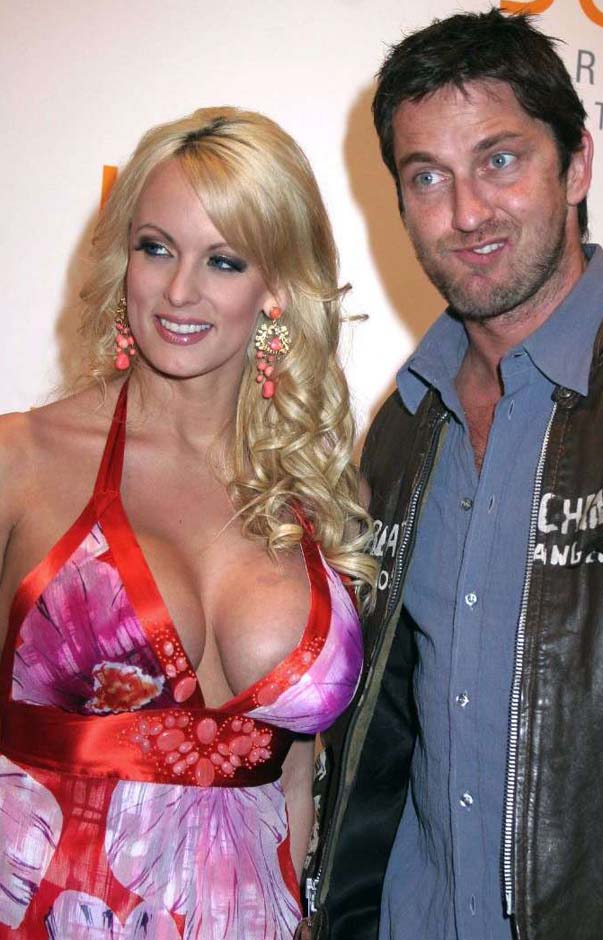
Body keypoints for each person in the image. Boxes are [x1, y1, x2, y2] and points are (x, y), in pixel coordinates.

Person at [300, 8, 603, 940]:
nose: (467, 212)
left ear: (578, 164)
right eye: (427, 176)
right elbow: (380, 735)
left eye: (501, 159)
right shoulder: (399, 428)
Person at [0, 106, 375, 940]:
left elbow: (294, 781)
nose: (178, 291)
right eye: (156, 247)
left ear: (275, 288)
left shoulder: (317, 495)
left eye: (224, 260)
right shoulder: (21, 461)